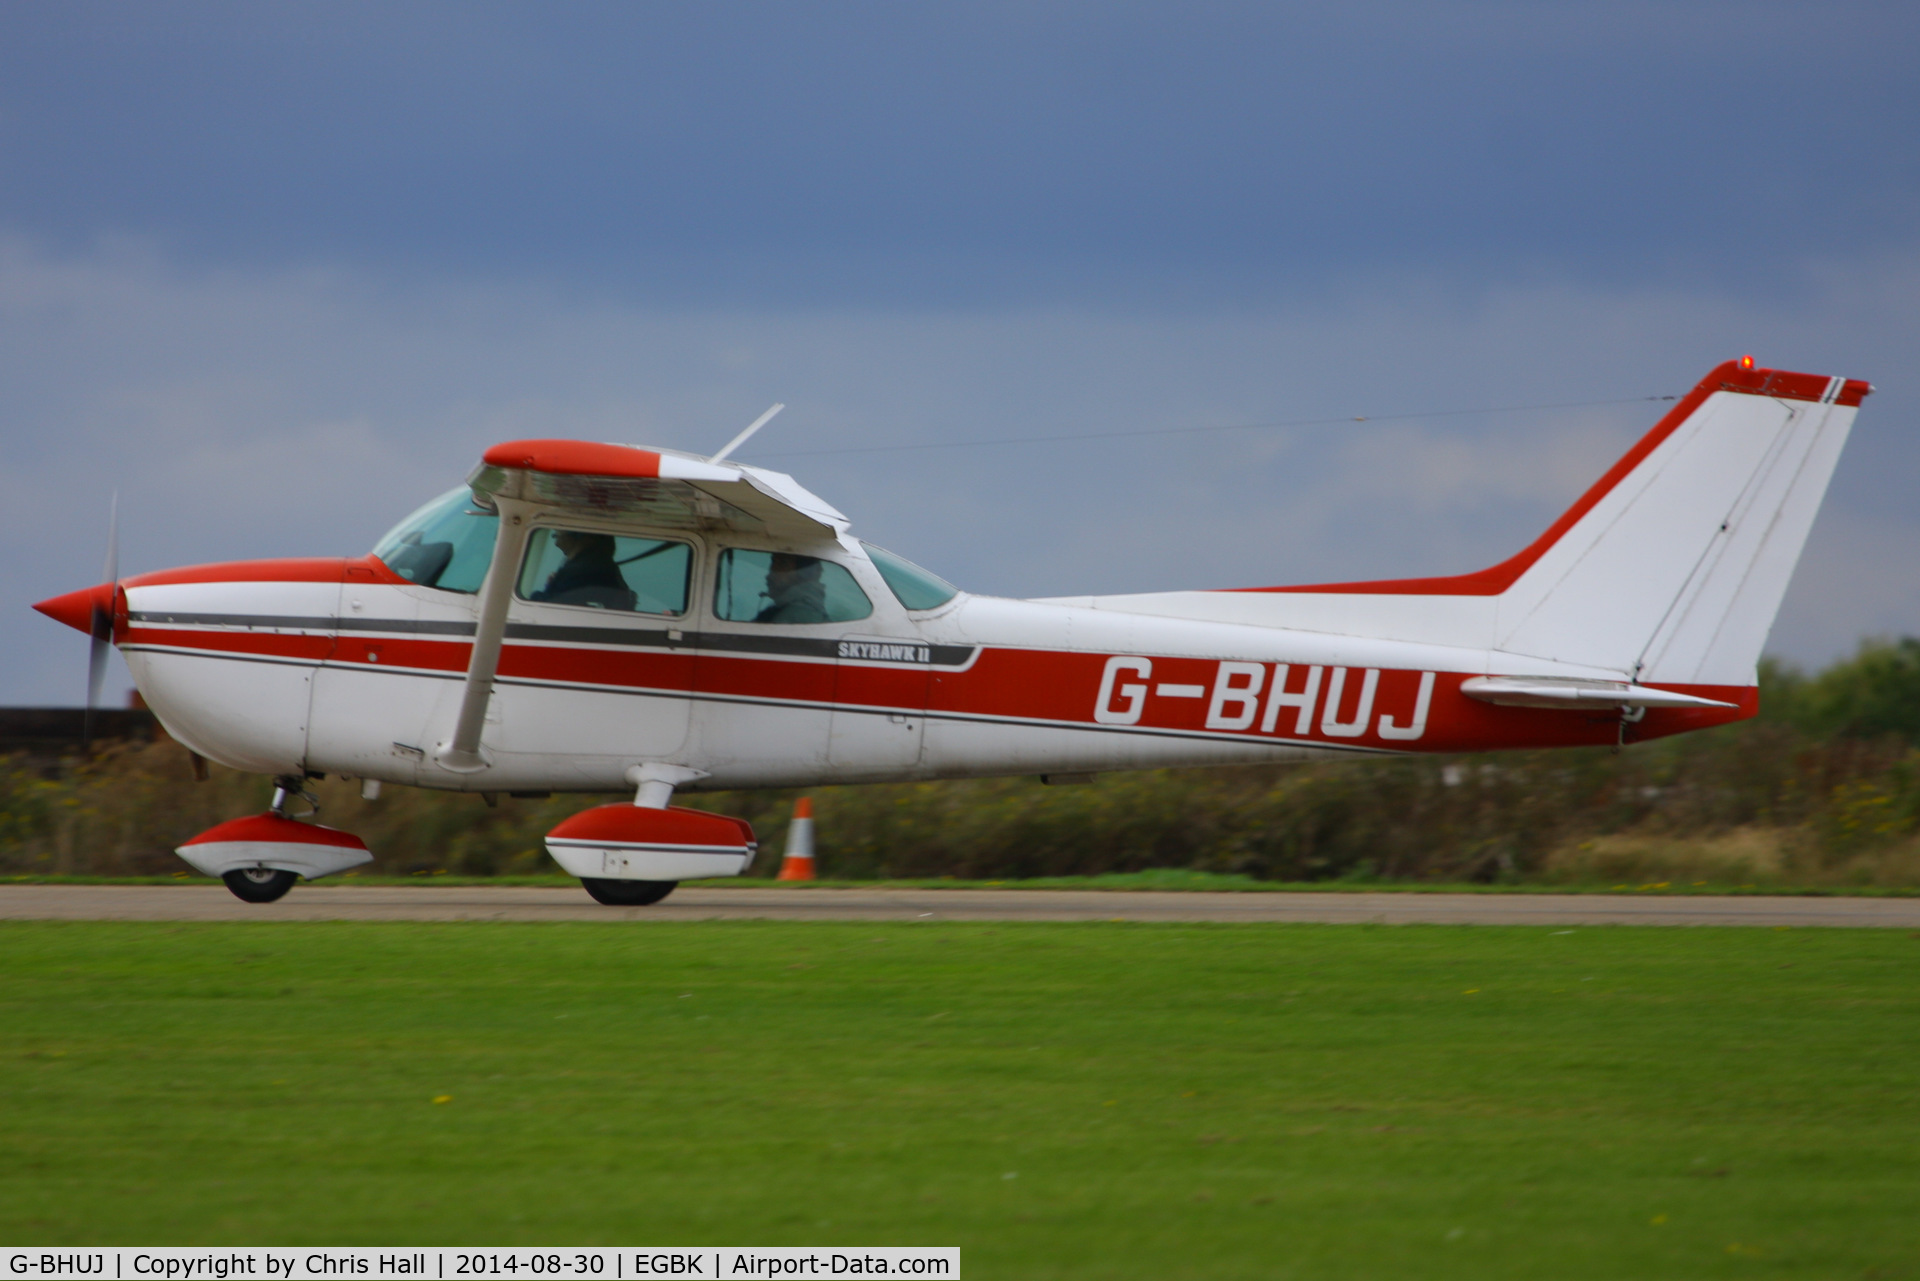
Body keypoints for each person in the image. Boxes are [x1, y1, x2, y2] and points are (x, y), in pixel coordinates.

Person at [531, 531, 634, 609]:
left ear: (585, 538)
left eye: (558, 536)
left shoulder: (582, 572)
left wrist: (537, 595)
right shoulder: (607, 570)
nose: (557, 543)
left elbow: (547, 606)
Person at [754, 553, 828, 623]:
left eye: (782, 564)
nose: (769, 576)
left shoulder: (799, 615)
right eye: (773, 564)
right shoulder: (778, 610)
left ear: (804, 574)